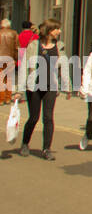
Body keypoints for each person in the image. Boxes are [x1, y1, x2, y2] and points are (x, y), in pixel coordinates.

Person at [17, 20, 72, 160]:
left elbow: (64, 67)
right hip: (34, 86)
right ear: (49, 31)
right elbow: (24, 67)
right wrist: (19, 90)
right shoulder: (34, 46)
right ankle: (25, 143)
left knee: (48, 118)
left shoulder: (59, 46)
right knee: (34, 117)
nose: (59, 32)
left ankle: (47, 149)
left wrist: (68, 86)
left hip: (51, 87)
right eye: (57, 29)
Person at [0, 19, 16, 108]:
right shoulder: (13, 33)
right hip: (10, 58)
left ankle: (1, 99)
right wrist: (17, 58)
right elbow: (17, 47)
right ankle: (8, 98)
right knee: (9, 78)